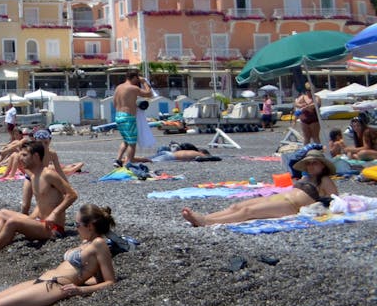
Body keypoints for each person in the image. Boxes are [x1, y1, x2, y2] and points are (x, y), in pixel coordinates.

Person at [0, 205, 119, 306]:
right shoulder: (86, 242)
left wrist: (80, 290)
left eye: (77, 225)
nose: (75, 228)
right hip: (42, 280)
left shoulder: (99, 244)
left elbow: (110, 281)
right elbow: (93, 273)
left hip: (55, 287)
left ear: (89, 226)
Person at [182, 149, 339, 226]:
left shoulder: (324, 180)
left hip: (291, 206)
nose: (311, 166)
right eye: (309, 163)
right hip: (279, 199)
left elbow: (336, 201)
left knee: (248, 212)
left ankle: (206, 222)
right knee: (237, 205)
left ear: (322, 165)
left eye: (315, 163)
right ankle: (207, 217)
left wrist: (320, 206)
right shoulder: (306, 177)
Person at [0, 141, 78, 255]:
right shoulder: (33, 175)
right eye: (21, 155)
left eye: (25, 155)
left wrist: (55, 213)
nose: (21, 158)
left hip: (53, 229)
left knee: (13, 222)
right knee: (2, 213)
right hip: (38, 222)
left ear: (36, 156)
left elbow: (72, 195)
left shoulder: (48, 174)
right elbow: (43, 201)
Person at [112, 68, 154, 168]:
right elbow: (149, 94)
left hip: (118, 116)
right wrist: (144, 82)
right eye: (137, 78)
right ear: (134, 77)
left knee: (125, 141)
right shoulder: (133, 88)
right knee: (132, 143)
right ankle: (128, 163)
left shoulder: (118, 87)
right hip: (128, 117)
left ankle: (118, 160)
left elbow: (114, 103)